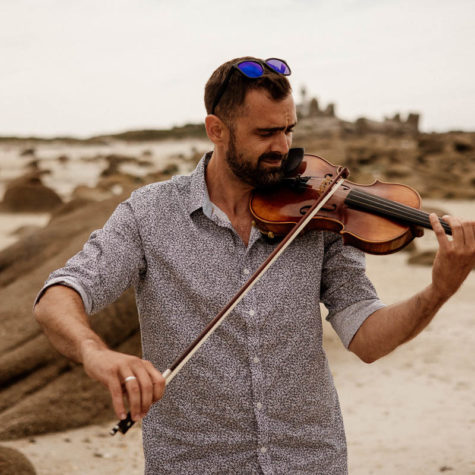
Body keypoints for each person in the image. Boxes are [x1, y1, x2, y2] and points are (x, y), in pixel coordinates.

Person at [33, 56, 475, 474]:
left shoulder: (321, 215)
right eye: (265, 133)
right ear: (216, 130)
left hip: (308, 459)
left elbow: (366, 339)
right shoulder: (149, 214)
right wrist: (96, 354)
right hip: (193, 463)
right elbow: (60, 295)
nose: (284, 147)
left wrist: (439, 290)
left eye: (289, 129)